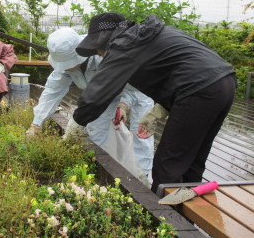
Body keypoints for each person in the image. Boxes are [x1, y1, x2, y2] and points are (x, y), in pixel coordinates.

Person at [72, 12, 236, 193]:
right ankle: (186, 214)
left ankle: (164, 218)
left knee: (167, 165)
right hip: (224, 83)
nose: (100, 55)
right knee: (192, 161)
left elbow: (96, 94)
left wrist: (76, 124)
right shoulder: (144, 36)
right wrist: (156, 112)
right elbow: (179, 70)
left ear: (104, 40)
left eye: (98, 49)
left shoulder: (123, 45)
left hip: (198, 90)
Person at [26, 27, 154, 175]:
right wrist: (37, 123)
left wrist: (124, 104)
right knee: (95, 132)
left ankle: (143, 181)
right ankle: (102, 172)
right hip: (102, 96)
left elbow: (132, 87)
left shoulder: (103, 55)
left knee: (141, 137)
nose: (66, 68)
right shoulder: (67, 67)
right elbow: (53, 91)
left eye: (68, 64)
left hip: (138, 92)